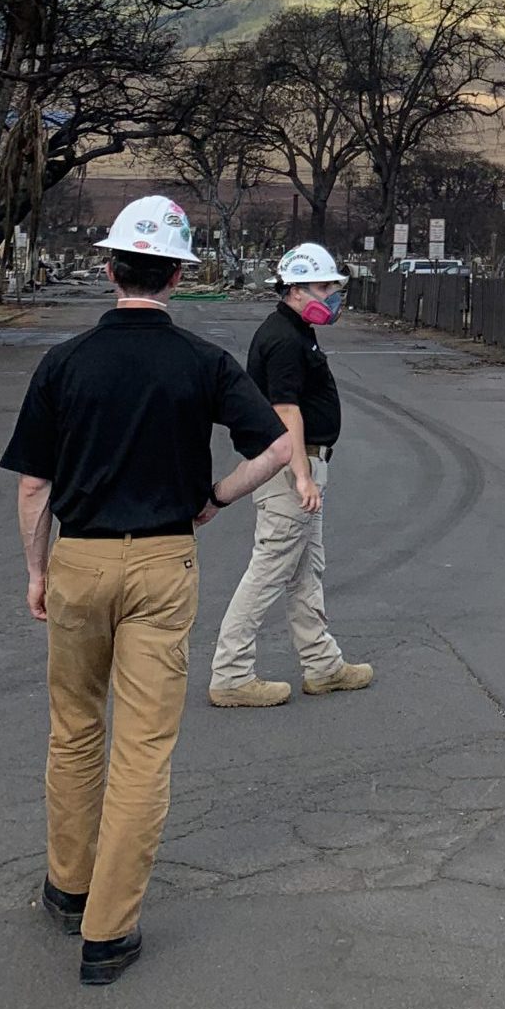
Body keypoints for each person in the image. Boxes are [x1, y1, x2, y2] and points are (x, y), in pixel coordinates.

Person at [1, 196, 296, 985]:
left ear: (109, 268)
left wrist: (37, 570)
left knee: (73, 730)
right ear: (176, 274)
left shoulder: (64, 363)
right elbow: (273, 445)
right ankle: (109, 929)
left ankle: (67, 887)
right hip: (164, 560)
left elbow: (36, 486)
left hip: (81, 558)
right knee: (142, 748)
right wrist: (219, 496)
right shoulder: (202, 361)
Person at [208, 243, 374, 707]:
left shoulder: (297, 331)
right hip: (290, 470)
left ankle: (322, 664)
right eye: (324, 288)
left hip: (304, 466)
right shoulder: (283, 338)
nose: (333, 297)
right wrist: (302, 476)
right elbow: (285, 410)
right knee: (269, 571)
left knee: (305, 571)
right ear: (296, 290)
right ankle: (231, 672)